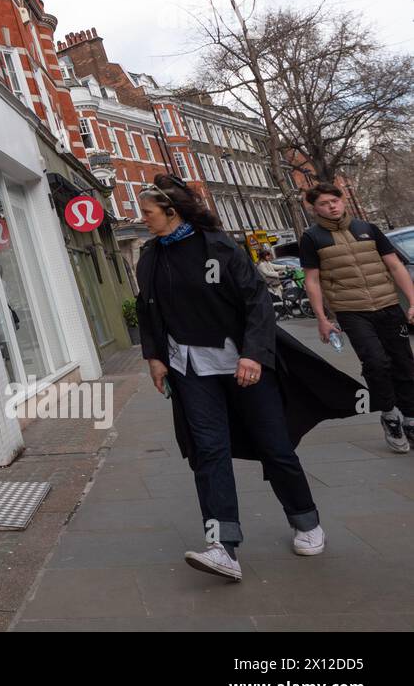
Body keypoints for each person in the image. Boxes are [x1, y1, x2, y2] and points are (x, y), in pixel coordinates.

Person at [137, 174, 325, 582]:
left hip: (242, 366)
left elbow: (257, 301)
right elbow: (148, 310)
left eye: (149, 213)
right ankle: (223, 547)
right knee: (208, 453)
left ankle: (307, 522)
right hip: (189, 371)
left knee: (275, 448)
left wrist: (253, 354)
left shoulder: (218, 246)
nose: (143, 219)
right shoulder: (150, 255)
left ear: (172, 212)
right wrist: (154, 357)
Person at [300, 183, 414, 453]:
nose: (332, 206)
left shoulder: (367, 228)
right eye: (325, 203)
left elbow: (395, 265)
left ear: (343, 201)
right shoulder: (312, 238)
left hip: (387, 304)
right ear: (314, 209)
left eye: (335, 200)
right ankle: (389, 415)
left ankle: (410, 418)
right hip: (351, 310)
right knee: (376, 362)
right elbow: (312, 281)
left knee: (404, 364)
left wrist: (412, 301)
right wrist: (322, 318)